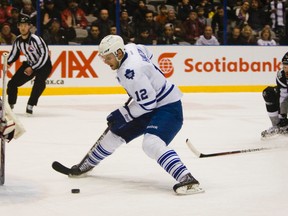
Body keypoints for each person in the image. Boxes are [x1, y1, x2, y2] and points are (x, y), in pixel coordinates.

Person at [68, 35, 203, 195]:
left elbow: (148, 104)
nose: (105, 62)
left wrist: (122, 114)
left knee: (151, 143)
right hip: (151, 104)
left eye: (108, 58)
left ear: (118, 53)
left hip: (168, 107)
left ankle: (187, 179)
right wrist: (148, 81)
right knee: (115, 133)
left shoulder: (130, 72)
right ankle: (87, 164)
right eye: (103, 58)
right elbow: (148, 53)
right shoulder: (131, 47)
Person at [6, 15, 52, 115]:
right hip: (30, 64)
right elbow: (14, 53)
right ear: (18, 26)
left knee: (39, 82)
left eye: (25, 25)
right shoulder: (18, 40)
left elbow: (45, 55)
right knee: (12, 83)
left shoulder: (36, 39)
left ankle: (30, 104)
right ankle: (10, 104)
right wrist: (8, 62)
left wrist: (33, 68)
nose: (23, 28)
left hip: (44, 65)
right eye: (21, 25)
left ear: (29, 26)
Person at [261, 52, 288, 137]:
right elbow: (283, 97)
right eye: (284, 66)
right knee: (268, 93)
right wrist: (282, 117)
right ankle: (277, 126)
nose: (285, 69)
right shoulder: (281, 76)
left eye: (287, 66)